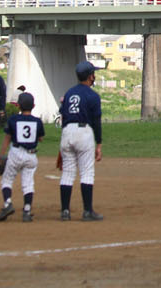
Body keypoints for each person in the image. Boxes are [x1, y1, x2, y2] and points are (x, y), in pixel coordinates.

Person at [59, 60, 104, 220]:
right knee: (86, 173)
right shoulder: (93, 96)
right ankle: (87, 211)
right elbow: (96, 122)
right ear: (90, 76)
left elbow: (63, 116)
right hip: (84, 132)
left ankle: (65, 211)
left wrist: (62, 146)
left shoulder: (69, 93)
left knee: (68, 173)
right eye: (93, 74)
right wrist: (99, 143)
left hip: (67, 131)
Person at [0, 90, 45, 223]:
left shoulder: (13, 119)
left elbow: (7, 138)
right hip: (31, 156)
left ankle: (7, 204)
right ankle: (27, 211)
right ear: (33, 106)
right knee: (28, 183)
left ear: (18, 105)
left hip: (16, 153)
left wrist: (1, 155)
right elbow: (40, 138)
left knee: (7, 180)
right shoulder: (37, 121)